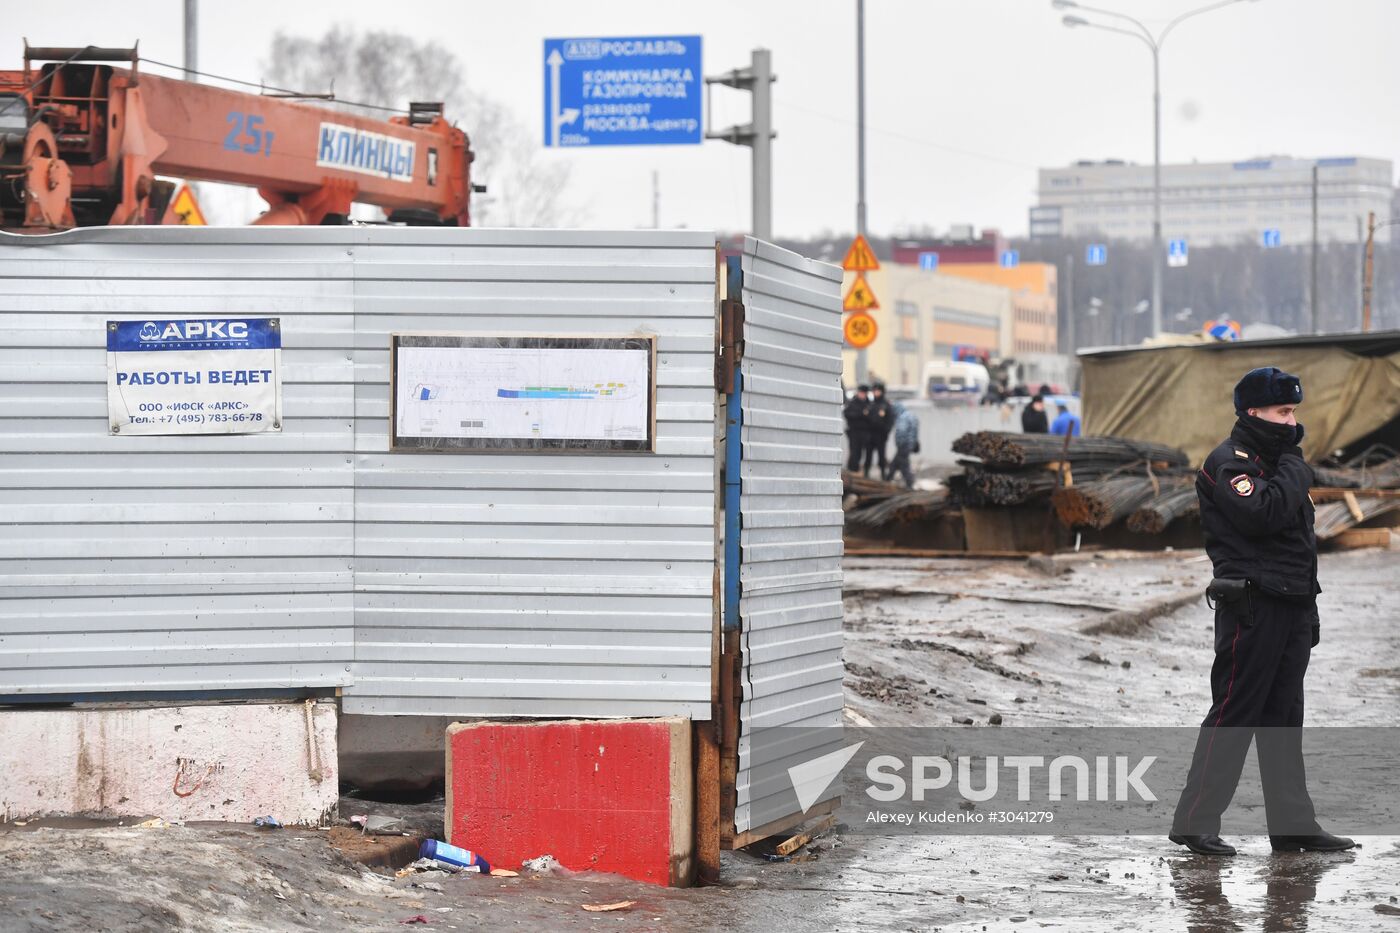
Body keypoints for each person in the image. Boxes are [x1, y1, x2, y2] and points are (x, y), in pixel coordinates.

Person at [1168, 366, 1354, 856]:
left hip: (1292, 604)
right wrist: (1296, 467)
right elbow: (1262, 515)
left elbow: (1299, 544)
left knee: (1284, 716)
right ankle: (1194, 821)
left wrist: (1309, 610)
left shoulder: (1281, 462)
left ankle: (1292, 825)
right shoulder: (1232, 463)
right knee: (1235, 712)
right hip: (1250, 605)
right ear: (1253, 412)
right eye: (1283, 412)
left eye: (1294, 412)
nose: (1292, 422)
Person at [884, 401, 921, 488]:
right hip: (909, 444)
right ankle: (887, 480)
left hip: (904, 445)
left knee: (904, 465)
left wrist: (899, 443)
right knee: (895, 463)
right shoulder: (910, 415)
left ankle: (909, 483)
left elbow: (901, 432)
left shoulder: (902, 418)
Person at [863, 383, 895, 478]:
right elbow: (865, 419)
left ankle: (883, 474)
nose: (875, 393)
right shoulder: (871, 404)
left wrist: (886, 432)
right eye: (874, 391)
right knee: (868, 456)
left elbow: (890, 420)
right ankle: (866, 474)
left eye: (878, 391)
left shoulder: (886, 404)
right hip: (870, 435)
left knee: (881, 456)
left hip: (881, 435)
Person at [843, 385, 872, 472]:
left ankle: (861, 471)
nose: (862, 395)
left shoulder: (869, 404)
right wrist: (861, 414)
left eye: (864, 393)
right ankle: (852, 470)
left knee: (863, 453)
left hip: (865, 432)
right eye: (861, 393)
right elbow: (847, 414)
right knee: (854, 452)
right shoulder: (853, 403)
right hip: (854, 432)